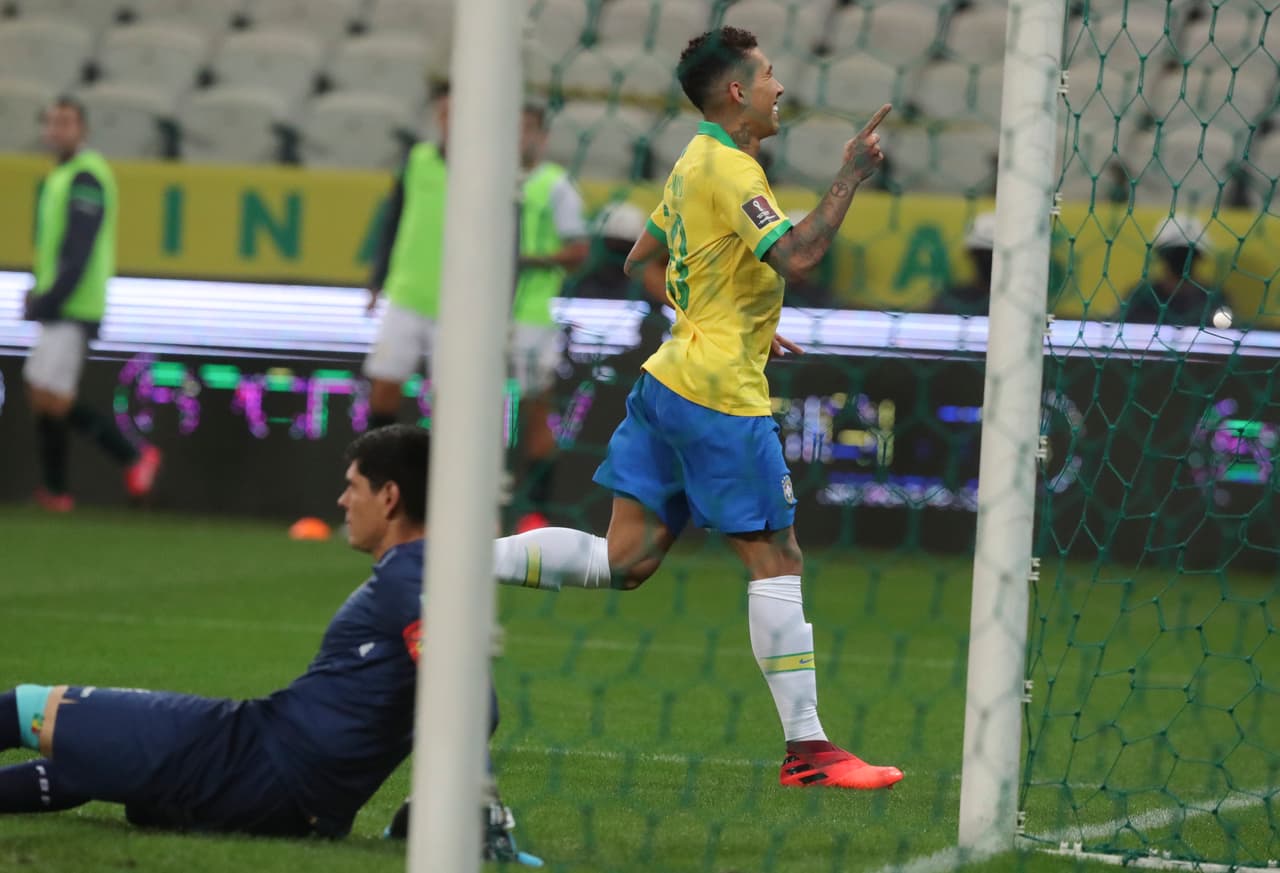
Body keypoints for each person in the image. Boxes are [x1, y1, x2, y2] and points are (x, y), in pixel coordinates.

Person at [488, 27, 904, 791]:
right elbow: (802, 256)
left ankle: (453, 566)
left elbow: (639, 258)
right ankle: (808, 749)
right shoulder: (731, 167)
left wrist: (732, 316)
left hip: (666, 382)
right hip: (717, 398)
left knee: (627, 559)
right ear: (738, 91)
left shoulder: (690, 160)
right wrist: (849, 174)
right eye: (771, 75)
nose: (782, 87)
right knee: (776, 557)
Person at [0, 425, 540, 865]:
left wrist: (475, 805)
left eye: (352, 486)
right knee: (93, 765)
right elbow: (473, 699)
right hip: (297, 801)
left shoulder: (406, 577)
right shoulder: (434, 577)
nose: (342, 500)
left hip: (252, 761)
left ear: (390, 496)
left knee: (26, 708)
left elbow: (463, 696)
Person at [22, 96, 161, 512]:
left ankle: (132, 456)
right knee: (42, 392)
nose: (57, 130)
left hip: (74, 305)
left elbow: (79, 250)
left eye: (66, 122)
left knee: (54, 395)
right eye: (52, 122)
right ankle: (56, 489)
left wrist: (52, 297)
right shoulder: (63, 176)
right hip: (60, 303)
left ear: (82, 129)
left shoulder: (86, 177)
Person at [508, 103, 590, 532]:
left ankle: (535, 512)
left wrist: (529, 259)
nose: (519, 137)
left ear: (540, 137)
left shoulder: (556, 186)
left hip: (533, 315)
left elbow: (579, 250)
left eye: (527, 129)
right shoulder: (483, 178)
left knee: (535, 411)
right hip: (481, 314)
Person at [363, 83, 451, 430]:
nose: (449, 120)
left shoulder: (485, 167)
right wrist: (377, 279)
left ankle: (448, 473)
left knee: (451, 394)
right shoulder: (417, 160)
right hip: (407, 293)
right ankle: (375, 464)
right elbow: (394, 220)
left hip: (458, 304)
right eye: (444, 113)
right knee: (384, 383)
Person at [1121, 213, 1230, 327]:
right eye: (1175, 254)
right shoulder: (1141, 297)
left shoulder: (1214, 299)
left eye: (1186, 254)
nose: (1181, 260)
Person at [938, 210, 995, 316]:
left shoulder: (950, 301)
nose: (987, 260)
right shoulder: (950, 301)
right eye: (982, 254)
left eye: (990, 254)